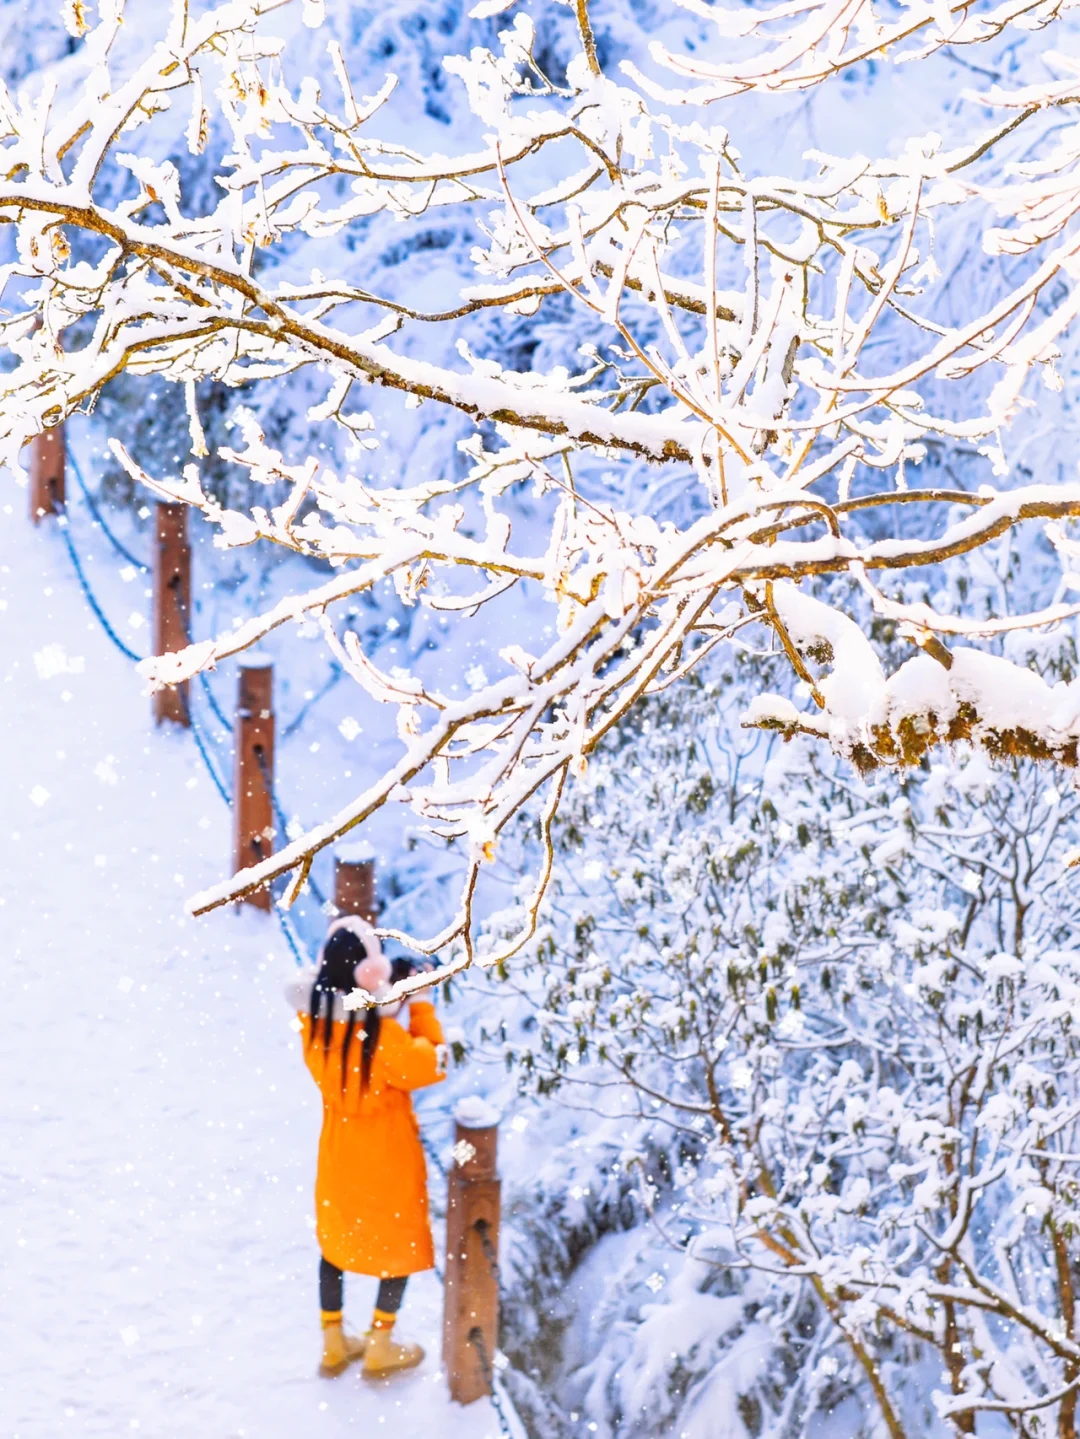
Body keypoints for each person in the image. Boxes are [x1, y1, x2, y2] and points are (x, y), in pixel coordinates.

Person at [286, 916, 447, 1379]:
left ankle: (333, 1342)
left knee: (335, 1245)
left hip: (340, 1152)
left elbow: (338, 1009)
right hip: (388, 1155)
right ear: (368, 977)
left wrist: (378, 1000)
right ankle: (380, 1343)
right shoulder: (384, 1041)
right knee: (396, 1248)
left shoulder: (313, 1027)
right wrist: (418, 1004)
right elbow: (434, 1061)